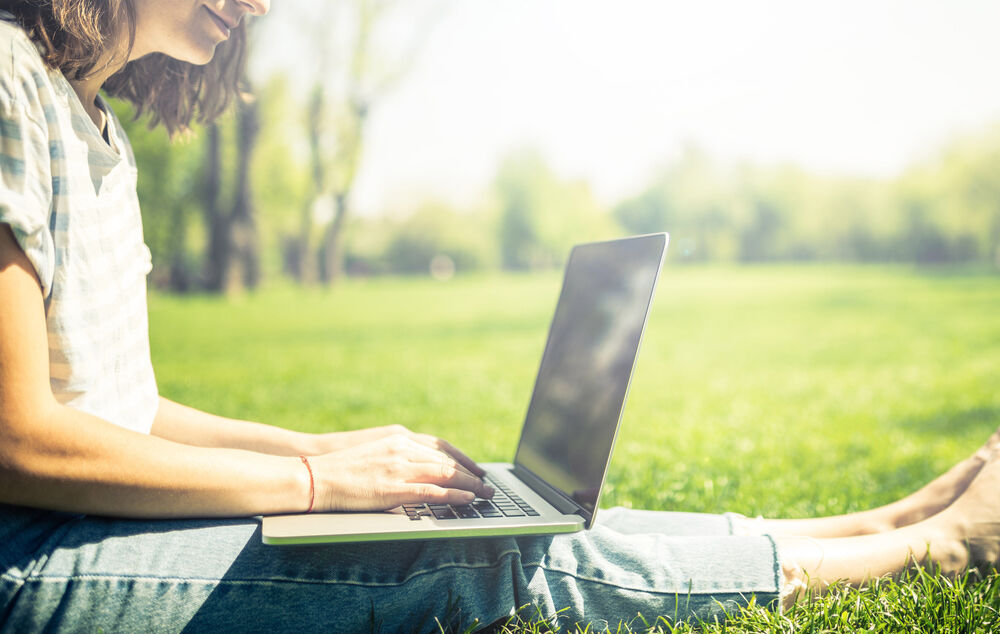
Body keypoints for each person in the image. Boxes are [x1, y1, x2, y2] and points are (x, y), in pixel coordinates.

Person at [0, 0, 997, 630]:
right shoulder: (7, 81)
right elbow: (15, 439)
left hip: (93, 519)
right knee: (474, 559)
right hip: (33, 560)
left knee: (529, 516)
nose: (260, 4)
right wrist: (310, 479)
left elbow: (117, 405)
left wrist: (330, 449)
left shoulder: (93, 128)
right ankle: (934, 546)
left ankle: (869, 522)